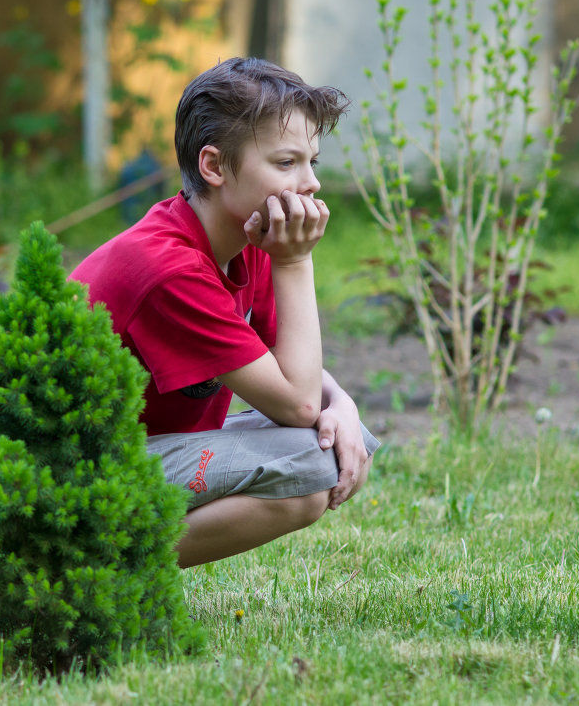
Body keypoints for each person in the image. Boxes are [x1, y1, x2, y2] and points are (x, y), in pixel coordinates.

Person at [71, 57, 380, 568]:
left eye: (312, 162)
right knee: (311, 457)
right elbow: (299, 406)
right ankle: (89, 566)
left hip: (145, 456)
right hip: (72, 479)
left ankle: (109, 563)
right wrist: (296, 261)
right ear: (214, 167)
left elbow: (292, 373)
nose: (311, 183)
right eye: (286, 163)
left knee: (339, 443)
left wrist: (342, 404)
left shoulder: (247, 240)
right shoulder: (167, 267)